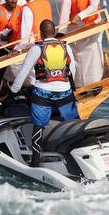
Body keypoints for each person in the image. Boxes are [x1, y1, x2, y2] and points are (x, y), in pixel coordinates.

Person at [9, 19, 78, 167]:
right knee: (72, 124)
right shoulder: (66, 47)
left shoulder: (36, 49)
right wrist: (69, 88)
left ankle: (35, 160)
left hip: (43, 94)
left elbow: (23, 72)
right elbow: (72, 71)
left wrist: (13, 91)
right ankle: (75, 153)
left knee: (38, 126)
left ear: (41, 34)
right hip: (65, 93)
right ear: (54, 32)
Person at [58, 0, 103, 87]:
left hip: (92, 24)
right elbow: (65, 8)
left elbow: (94, 5)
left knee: (92, 53)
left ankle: (94, 82)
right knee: (75, 54)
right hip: (76, 25)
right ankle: (77, 83)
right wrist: (62, 31)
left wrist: (81, 15)